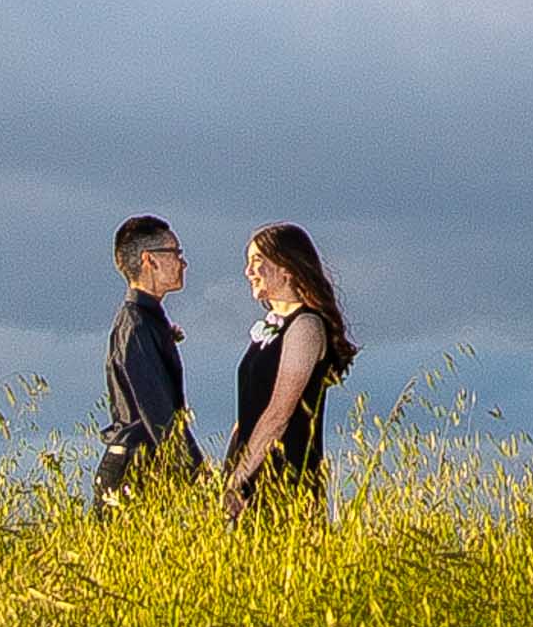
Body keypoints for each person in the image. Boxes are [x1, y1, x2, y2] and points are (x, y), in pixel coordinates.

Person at [222, 222, 357, 525]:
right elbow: (249, 412)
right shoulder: (271, 327)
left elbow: (280, 412)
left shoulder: (306, 326)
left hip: (286, 477)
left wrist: (240, 477)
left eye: (257, 262)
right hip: (252, 468)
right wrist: (231, 468)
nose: (248, 271)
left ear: (287, 268)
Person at [97, 214, 205, 511]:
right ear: (150, 260)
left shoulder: (147, 320)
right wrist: (197, 473)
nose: (182, 263)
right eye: (175, 253)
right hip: (135, 469)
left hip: (148, 464)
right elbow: (157, 411)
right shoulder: (137, 324)